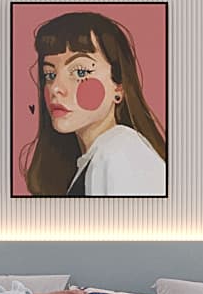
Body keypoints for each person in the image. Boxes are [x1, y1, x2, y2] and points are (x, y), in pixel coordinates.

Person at [19, 10, 167, 196]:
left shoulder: (120, 152)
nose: (55, 88)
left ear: (118, 87)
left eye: (80, 72)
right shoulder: (100, 156)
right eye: (50, 75)